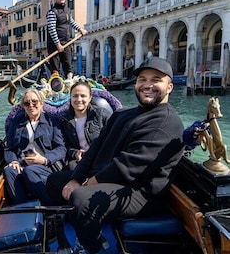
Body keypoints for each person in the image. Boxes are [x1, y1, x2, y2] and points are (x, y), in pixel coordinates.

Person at [46, 57, 185, 254]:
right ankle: (83, 222)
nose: (147, 85)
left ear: (169, 87)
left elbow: (126, 166)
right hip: (109, 178)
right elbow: (95, 149)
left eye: (156, 79)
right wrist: (76, 177)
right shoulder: (122, 114)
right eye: (142, 79)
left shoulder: (166, 122)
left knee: (81, 198)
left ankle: (93, 246)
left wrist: (84, 184)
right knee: (54, 181)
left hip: (140, 191)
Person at [4, 89, 66, 205]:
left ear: (41, 103)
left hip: (45, 165)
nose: (31, 105)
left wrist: (44, 159)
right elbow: (9, 148)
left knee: (29, 171)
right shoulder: (17, 122)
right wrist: (13, 161)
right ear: (23, 106)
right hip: (22, 163)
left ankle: (49, 206)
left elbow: (61, 148)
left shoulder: (52, 121)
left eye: (34, 102)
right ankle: (24, 208)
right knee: (9, 170)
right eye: (27, 103)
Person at [60, 81, 112, 171]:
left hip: (102, 158)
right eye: (75, 96)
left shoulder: (102, 114)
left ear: (90, 98)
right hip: (80, 160)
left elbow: (114, 139)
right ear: (70, 98)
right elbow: (64, 146)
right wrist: (75, 153)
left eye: (83, 96)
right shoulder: (65, 120)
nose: (79, 99)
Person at [47, 0, 87, 78]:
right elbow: (52, 29)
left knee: (68, 67)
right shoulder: (52, 12)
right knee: (55, 69)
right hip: (54, 45)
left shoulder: (67, 11)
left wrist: (80, 29)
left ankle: (69, 85)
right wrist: (58, 44)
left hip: (66, 43)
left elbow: (71, 22)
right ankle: (55, 87)